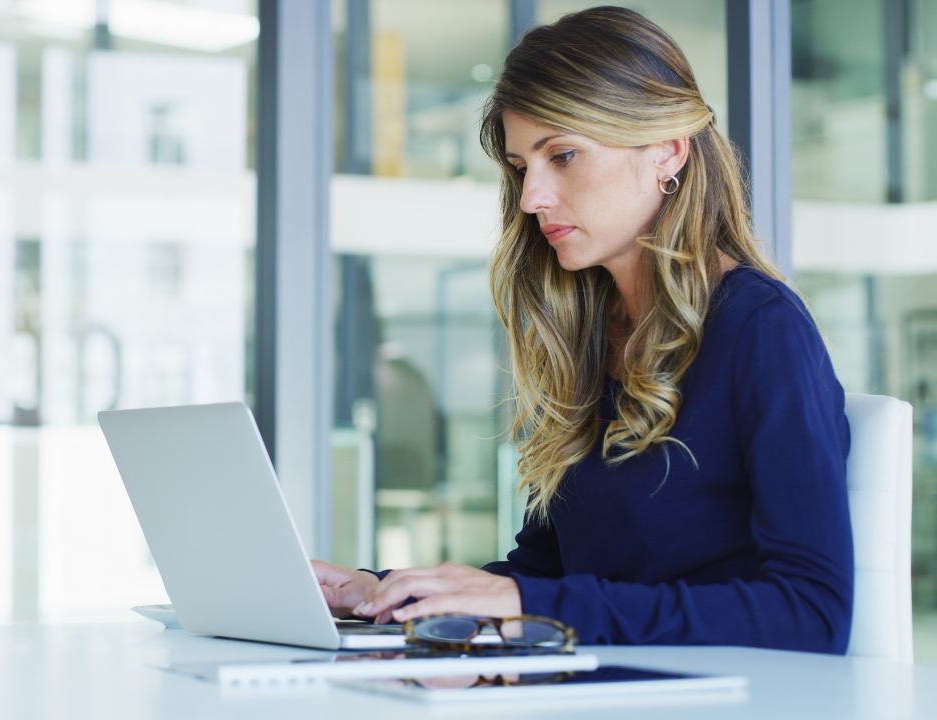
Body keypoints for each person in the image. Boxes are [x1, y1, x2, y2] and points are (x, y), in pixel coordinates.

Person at [313, 5, 854, 654]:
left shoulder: (761, 330)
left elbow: (811, 614)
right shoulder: (592, 335)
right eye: (521, 167)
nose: (531, 197)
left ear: (667, 151)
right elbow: (548, 581)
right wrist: (384, 590)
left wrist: (528, 602)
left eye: (562, 155)